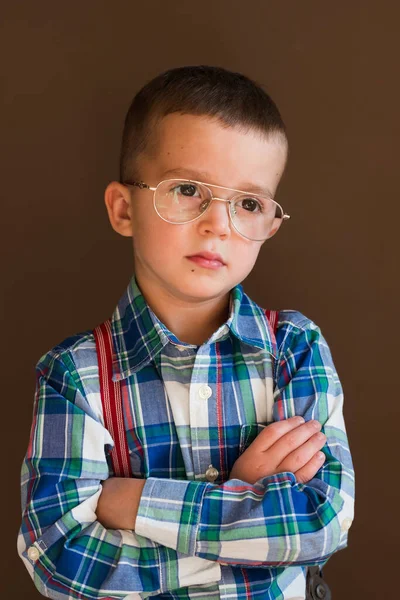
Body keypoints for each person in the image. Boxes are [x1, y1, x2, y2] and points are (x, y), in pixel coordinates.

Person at [18, 65, 354, 600]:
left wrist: (132, 502)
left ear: (270, 225)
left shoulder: (295, 347)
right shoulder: (74, 375)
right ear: (123, 208)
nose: (219, 223)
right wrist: (240, 509)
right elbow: (60, 562)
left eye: (248, 203)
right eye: (188, 189)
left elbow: (318, 523)